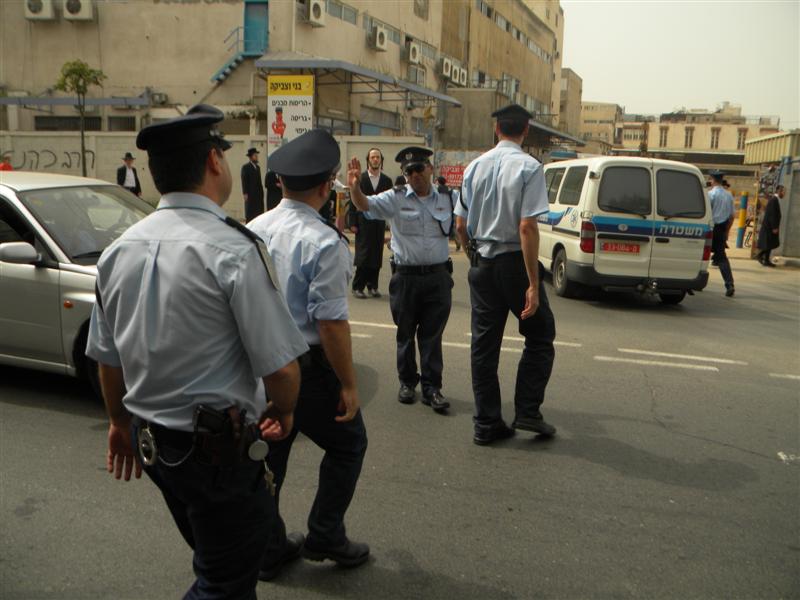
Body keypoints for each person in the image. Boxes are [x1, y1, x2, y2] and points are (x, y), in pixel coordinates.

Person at [86, 104, 309, 599]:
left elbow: (108, 357)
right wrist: (285, 409)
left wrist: (119, 424)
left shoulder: (117, 251)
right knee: (225, 583)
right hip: (216, 456)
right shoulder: (233, 249)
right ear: (214, 162)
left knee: (216, 559)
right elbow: (281, 368)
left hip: (155, 448)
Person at [247, 129, 370, 574]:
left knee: (269, 456)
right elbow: (331, 323)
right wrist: (350, 384)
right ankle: (326, 534)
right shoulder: (324, 242)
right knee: (349, 443)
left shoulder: (252, 229)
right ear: (326, 186)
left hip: (260, 364)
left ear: (279, 183)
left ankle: (268, 547)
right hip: (307, 369)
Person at [455, 104, 557, 446]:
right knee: (540, 335)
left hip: (482, 263)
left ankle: (486, 423)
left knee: (483, 347)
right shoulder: (530, 167)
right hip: (514, 263)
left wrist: (474, 257)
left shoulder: (474, 168)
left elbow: (459, 225)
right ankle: (528, 410)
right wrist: (533, 284)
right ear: (525, 130)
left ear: (497, 129)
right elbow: (527, 227)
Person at [347, 147, 452, 415]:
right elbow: (364, 205)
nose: (415, 175)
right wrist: (355, 186)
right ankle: (407, 383)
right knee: (405, 334)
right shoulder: (395, 198)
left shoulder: (447, 198)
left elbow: (464, 222)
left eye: (420, 169)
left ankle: (432, 388)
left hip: (438, 277)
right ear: (404, 175)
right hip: (406, 278)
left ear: (430, 169)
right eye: (410, 171)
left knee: (432, 336)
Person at [351, 148, 392, 299]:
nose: (375, 159)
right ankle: (358, 286)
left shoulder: (386, 181)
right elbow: (352, 201)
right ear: (368, 159)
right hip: (363, 223)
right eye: (373, 157)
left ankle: (373, 286)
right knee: (363, 255)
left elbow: (390, 202)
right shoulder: (360, 178)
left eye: (378, 157)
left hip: (379, 223)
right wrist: (352, 223)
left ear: (381, 160)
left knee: (376, 255)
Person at [708, 170, 735, 297]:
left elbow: (707, 214)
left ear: (712, 180)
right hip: (722, 229)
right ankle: (729, 284)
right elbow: (732, 216)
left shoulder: (711, 195)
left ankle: (696, 280)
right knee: (722, 257)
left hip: (711, 228)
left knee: (702, 255)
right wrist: (727, 231)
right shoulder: (729, 195)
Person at [757, 184, 783, 267]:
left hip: (770, 226)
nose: (784, 193)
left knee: (770, 244)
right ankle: (760, 256)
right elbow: (773, 215)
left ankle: (766, 259)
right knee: (769, 243)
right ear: (779, 191)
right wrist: (774, 227)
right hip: (770, 227)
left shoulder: (775, 200)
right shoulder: (774, 200)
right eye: (783, 191)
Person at [437, 175, 462, 251]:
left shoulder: (436, 190)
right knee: (454, 229)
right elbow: (456, 202)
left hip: (441, 211)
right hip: (452, 211)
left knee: (442, 227)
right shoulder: (451, 191)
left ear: (438, 182)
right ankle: (458, 243)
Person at [241, 147, 265, 222]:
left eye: (257, 155)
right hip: (250, 194)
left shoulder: (258, 168)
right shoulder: (245, 167)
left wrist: (262, 193)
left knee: (258, 213)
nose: (257, 157)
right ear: (251, 157)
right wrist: (245, 193)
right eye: (255, 155)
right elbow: (244, 180)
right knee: (250, 213)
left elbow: (259, 182)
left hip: (258, 195)